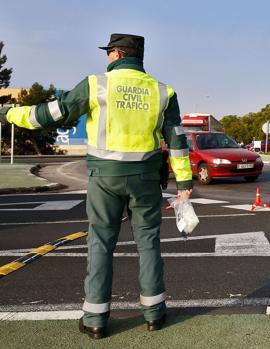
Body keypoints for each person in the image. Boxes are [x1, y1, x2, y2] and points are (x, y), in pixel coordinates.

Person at [0, 33, 193, 339]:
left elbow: (51, 114)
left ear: (116, 54)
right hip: (145, 178)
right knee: (148, 242)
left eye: (108, 53)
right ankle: (155, 313)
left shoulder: (96, 85)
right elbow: (177, 140)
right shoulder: (162, 91)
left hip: (104, 177)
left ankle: (95, 320)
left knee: (101, 243)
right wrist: (184, 181)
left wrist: (9, 113)